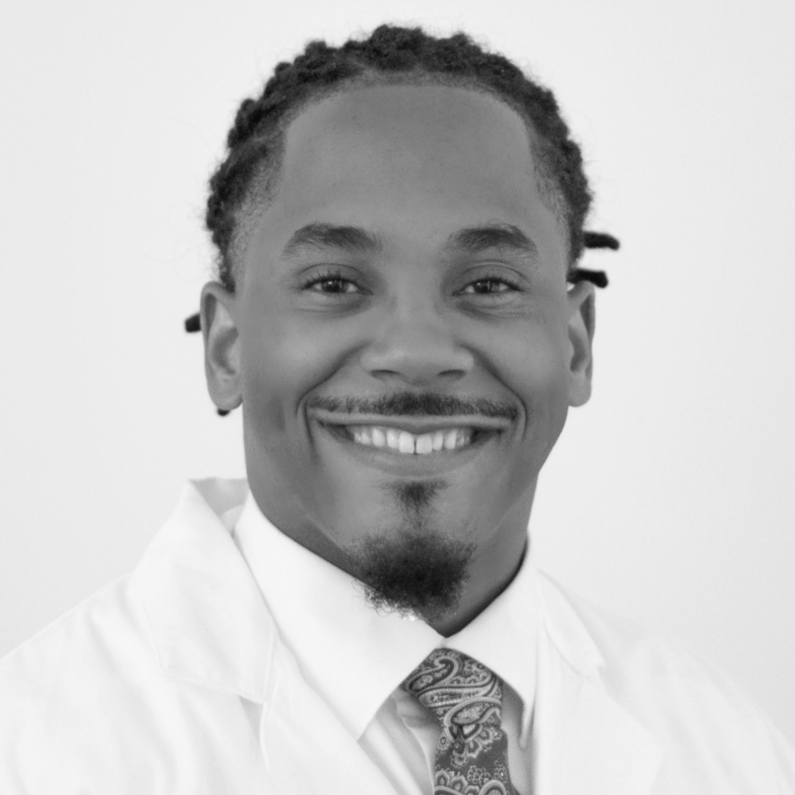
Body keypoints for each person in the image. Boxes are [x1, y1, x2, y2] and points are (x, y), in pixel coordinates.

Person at [1, 23, 793, 795]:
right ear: (225, 349)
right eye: (334, 283)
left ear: (576, 343)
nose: (416, 350)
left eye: (486, 283)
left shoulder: (732, 748)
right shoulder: (35, 750)